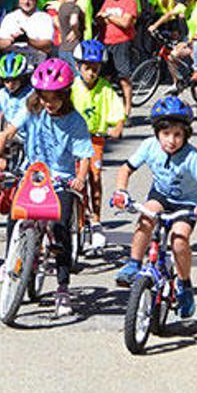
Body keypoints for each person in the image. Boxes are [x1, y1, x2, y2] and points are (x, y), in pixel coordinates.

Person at [0, 59, 93, 316]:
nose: (48, 102)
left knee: (60, 227)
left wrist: (79, 178)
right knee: (16, 213)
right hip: (32, 173)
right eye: (43, 96)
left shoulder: (76, 122)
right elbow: (7, 133)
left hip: (61, 178)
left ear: (65, 95)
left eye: (54, 97)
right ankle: (8, 260)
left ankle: (62, 287)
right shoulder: (31, 109)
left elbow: (84, 157)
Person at [112, 96, 197, 318]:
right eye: (166, 134)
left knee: (179, 240)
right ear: (156, 133)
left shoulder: (192, 157)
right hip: (160, 196)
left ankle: (184, 285)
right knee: (146, 217)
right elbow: (125, 169)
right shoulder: (149, 146)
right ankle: (134, 263)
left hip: (186, 204)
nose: (171, 140)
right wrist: (121, 191)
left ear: (186, 135)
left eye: (178, 135)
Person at [70, 40, 125, 246]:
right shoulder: (72, 88)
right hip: (73, 139)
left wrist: (117, 126)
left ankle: (96, 220)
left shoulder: (105, 88)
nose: (91, 72)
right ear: (78, 67)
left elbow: (117, 112)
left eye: (95, 68)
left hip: (95, 139)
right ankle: (72, 216)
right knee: (69, 176)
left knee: (94, 176)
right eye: (87, 68)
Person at [98, 0, 137, 120]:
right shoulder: (107, 1)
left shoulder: (129, 1)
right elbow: (99, 19)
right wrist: (105, 18)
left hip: (122, 43)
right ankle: (107, 110)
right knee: (105, 78)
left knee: (124, 78)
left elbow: (126, 23)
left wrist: (109, 17)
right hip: (105, 42)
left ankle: (127, 112)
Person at [0, 0, 54, 67]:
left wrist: (28, 40)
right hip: (13, 64)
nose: (27, 1)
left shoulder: (45, 18)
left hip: (36, 63)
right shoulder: (10, 17)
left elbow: (47, 46)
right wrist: (12, 40)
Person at [56, 0, 85, 71]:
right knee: (77, 77)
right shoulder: (75, 7)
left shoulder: (62, 7)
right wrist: (76, 32)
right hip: (74, 48)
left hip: (63, 48)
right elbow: (73, 21)